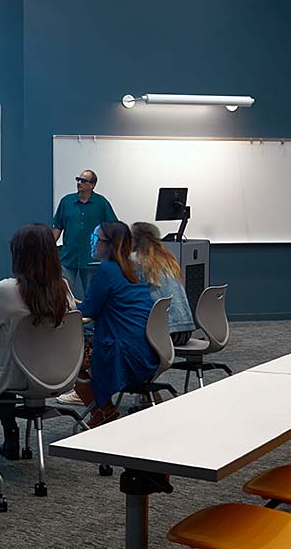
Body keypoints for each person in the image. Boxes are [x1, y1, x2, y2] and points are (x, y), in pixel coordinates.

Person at [0, 224, 76, 459]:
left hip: (15, 375)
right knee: (2, 344)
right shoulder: (63, 288)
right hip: (59, 371)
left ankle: (10, 435)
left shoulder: (5, 290)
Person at [77, 221, 157, 426]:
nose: (93, 243)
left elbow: (88, 311)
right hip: (146, 348)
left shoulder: (105, 270)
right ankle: (104, 409)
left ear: (110, 244)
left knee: (71, 360)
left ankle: (103, 411)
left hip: (120, 353)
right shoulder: (134, 268)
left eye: (96, 239)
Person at [52, 169, 117, 299]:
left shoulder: (101, 203)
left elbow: (113, 227)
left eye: (83, 181)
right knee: (62, 295)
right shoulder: (66, 201)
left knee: (92, 295)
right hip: (68, 256)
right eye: (78, 179)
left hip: (91, 258)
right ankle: (65, 319)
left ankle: (91, 319)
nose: (79, 183)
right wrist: (49, 247)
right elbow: (57, 227)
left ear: (92, 185)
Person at [131, 222, 195, 345]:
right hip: (185, 329)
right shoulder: (168, 258)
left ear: (135, 240)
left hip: (167, 332)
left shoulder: (137, 261)